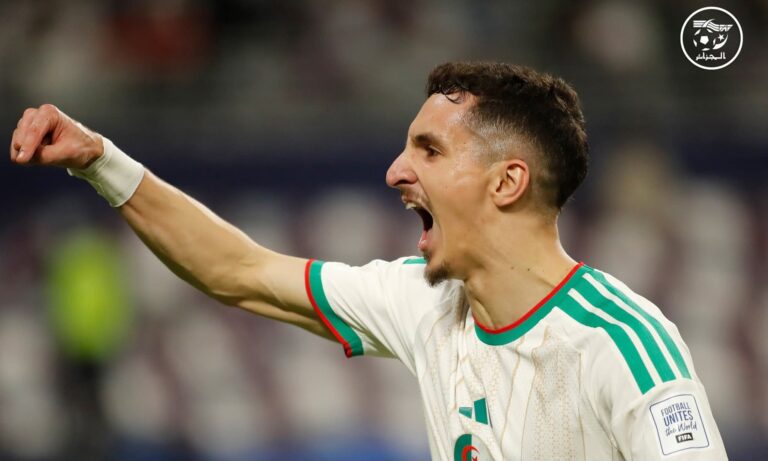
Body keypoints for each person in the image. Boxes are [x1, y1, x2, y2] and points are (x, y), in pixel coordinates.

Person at [9, 62, 727, 460]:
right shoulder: (425, 303)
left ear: (507, 182)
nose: (394, 171)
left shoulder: (622, 345)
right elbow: (238, 271)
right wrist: (100, 162)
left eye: (429, 150)